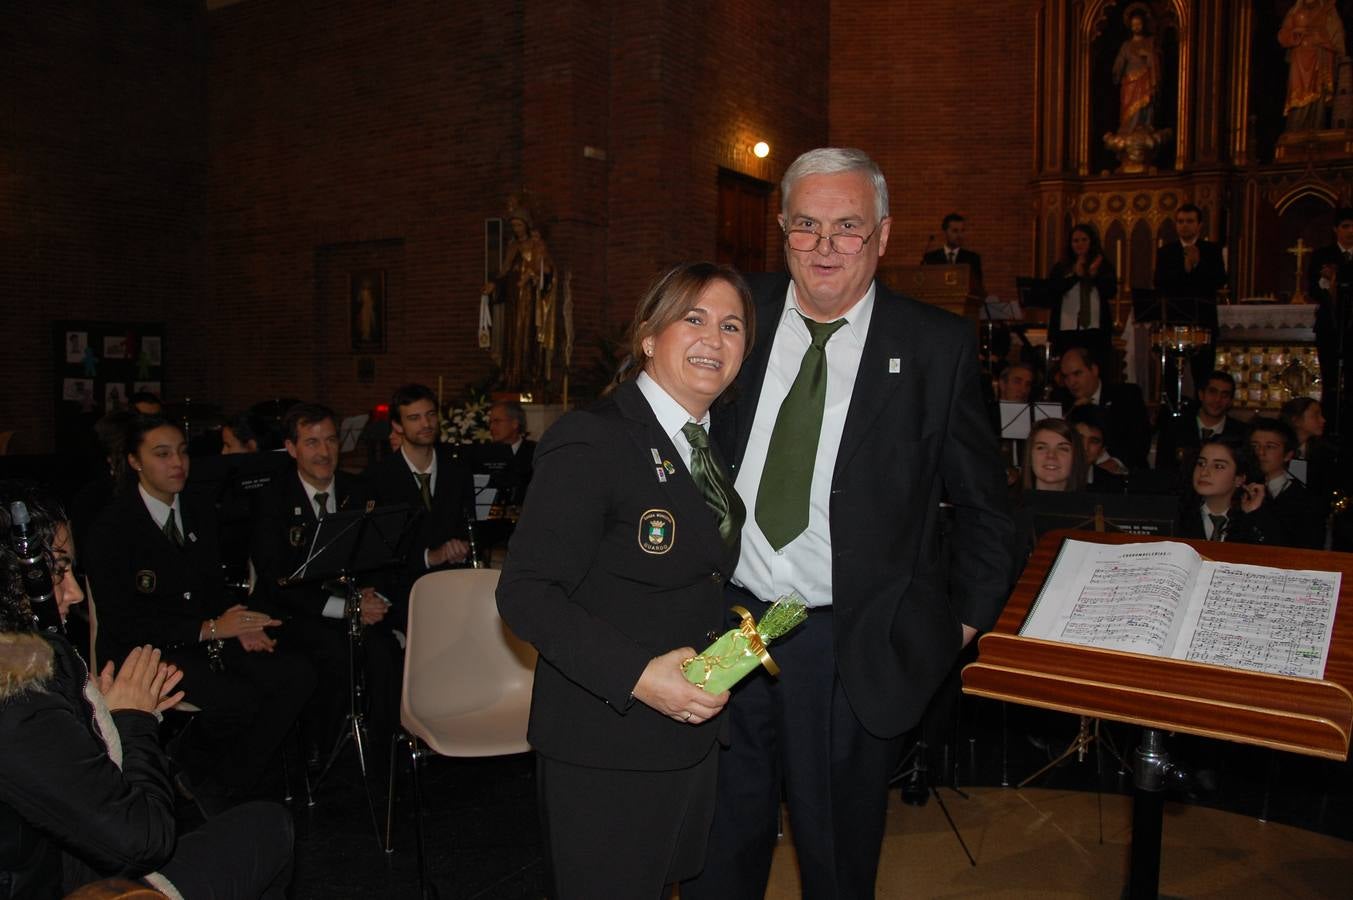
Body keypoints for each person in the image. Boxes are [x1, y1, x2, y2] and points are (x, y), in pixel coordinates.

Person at [682, 148, 1014, 899]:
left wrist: (952, 630)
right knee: (715, 850)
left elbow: (987, 510)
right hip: (723, 625)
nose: (824, 246)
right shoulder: (733, 314)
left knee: (835, 862)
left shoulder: (933, 347)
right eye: (806, 225)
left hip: (846, 647)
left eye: (847, 227)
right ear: (782, 230)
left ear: (883, 235)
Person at [497, 262, 753, 898]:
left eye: (731, 326)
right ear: (648, 336)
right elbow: (525, 592)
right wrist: (638, 675)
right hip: (607, 739)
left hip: (686, 734)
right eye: (694, 318)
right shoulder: (594, 438)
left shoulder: (707, 443)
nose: (714, 339)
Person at [0, 483, 295, 899]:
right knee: (270, 827)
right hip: (76, 882)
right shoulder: (17, 699)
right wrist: (134, 721)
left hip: (69, 855)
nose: (75, 592)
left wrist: (98, 717)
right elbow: (145, 842)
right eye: (57, 570)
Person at [86, 415, 315, 812]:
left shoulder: (196, 506)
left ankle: (218, 778)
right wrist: (209, 628)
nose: (178, 463)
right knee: (237, 697)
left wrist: (238, 621)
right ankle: (197, 771)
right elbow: (124, 621)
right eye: (162, 454)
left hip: (201, 637)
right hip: (144, 652)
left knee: (296, 674)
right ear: (135, 461)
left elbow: (211, 586)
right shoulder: (112, 526)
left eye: (182, 452)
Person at [250, 402, 403, 758]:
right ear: (291, 448)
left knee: (385, 652)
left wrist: (372, 595)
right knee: (333, 655)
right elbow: (276, 580)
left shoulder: (360, 490)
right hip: (297, 613)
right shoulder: (271, 500)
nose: (324, 452)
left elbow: (384, 556)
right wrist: (348, 608)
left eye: (331, 440)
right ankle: (321, 752)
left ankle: (384, 751)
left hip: (355, 607)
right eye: (312, 442)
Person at [368, 384, 475, 617]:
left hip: (454, 584)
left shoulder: (457, 470)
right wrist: (430, 556)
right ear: (398, 426)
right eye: (414, 418)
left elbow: (469, 526)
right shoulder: (378, 478)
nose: (426, 424)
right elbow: (378, 553)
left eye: (430, 415)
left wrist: (462, 546)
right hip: (403, 595)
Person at [483, 208, 556, 389]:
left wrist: (536, 275)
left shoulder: (536, 245)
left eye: (519, 225)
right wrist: (494, 284)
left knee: (526, 333)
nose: (516, 229)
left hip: (529, 299)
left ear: (526, 225)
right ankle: (510, 374)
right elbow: (504, 272)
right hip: (513, 297)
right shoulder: (512, 247)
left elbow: (548, 271)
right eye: (513, 225)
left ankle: (527, 374)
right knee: (511, 334)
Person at [1174, 436, 1281, 543]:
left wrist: (1252, 514)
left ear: (1239, 478)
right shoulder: (1176, 512)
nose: (1204, 472)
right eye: (1201, 463)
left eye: (1218, 466)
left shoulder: (1256, 517)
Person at [1058, 346, 1149, 470]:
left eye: (1077, 373)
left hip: (1124, 473)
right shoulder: (1063, 401)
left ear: (1094, 370)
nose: (1071, 382)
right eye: (1066, 377)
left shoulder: (1126, 395)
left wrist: (1113, 464)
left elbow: (1140, 441)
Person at [1249, 417, 1325, 549]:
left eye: (1270, 447)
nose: (1260, 452)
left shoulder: (1306, 499)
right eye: (1255, 446)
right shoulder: (1242, 488)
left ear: (1288, 455)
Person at [1047, 224, 1117, 361]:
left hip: (1095, 328)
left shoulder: (1103, 265)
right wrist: (1075, 276)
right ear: (1070, 244)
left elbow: (1111, 292)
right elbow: (1053, 291)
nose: (1080, 244)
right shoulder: (1061, 267)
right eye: (1076, 241)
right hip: (1067, 328)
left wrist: (1095, 276)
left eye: (1084, 240)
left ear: (1091, 241)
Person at [1308, 208, 1353, 420]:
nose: (1351, 231)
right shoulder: (1322, 255)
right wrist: (1327, 283)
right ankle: (1329, 423)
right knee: (1330, 380)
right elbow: (1312, 289)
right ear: (1336, 229)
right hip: (1330, 326)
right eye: (1346, 226)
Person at [1155, 370, 1245, 475]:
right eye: (1212, 392)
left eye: (1224, 395)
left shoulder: (1240, 434)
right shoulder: (1174, 427)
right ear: (1201, 395)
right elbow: (1162, 470)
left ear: (1230, 401)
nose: (1217, 399)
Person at [1278, 0, 1346, 133]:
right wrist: (1295, 34)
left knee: (1317, 106)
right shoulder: (1295, 11)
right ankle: (1295, 134)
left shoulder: (1328, 11)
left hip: (1319, 64)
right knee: (1297, 103)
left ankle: (1314, 135)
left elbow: (1337, 41)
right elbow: (1283, 36)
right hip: (1299, 65)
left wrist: (1320, 38)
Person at [1112, 7, 1160, 134]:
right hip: (1130, 81)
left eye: (1139, 24)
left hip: (1145, 79)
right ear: (1130, 26)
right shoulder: (1126, 45)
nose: (1136, 27)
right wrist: (1117, 71)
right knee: (1129, 105)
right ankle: (1129, 128)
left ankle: (1144, 126)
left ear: (1143, 24)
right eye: (1134, 25)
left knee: (1146, 103)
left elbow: (1156, 60)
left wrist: (1149, 55)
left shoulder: (1150, 42)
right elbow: (1120, 62)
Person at [1066, 405, 1128, 492]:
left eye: (1094, 441)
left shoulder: (1112, 486)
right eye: (1079, 438)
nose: (1084, 447)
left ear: (1102, 451)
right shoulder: (1049, 476)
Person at [921, 212, 984, 294]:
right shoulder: (930, 258)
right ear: (945, 232)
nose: (960, 235)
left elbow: (978, 287)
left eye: (962, 231)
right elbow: (926, 286)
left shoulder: (973, 258)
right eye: (955, 231)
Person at [1021, 418, 1087, 493]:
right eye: (1041, 447)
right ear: (1030, 455)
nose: (1051, 456)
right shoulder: (1011, 500)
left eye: (1062, 449)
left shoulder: (1094, 500)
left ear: (1076, 457)